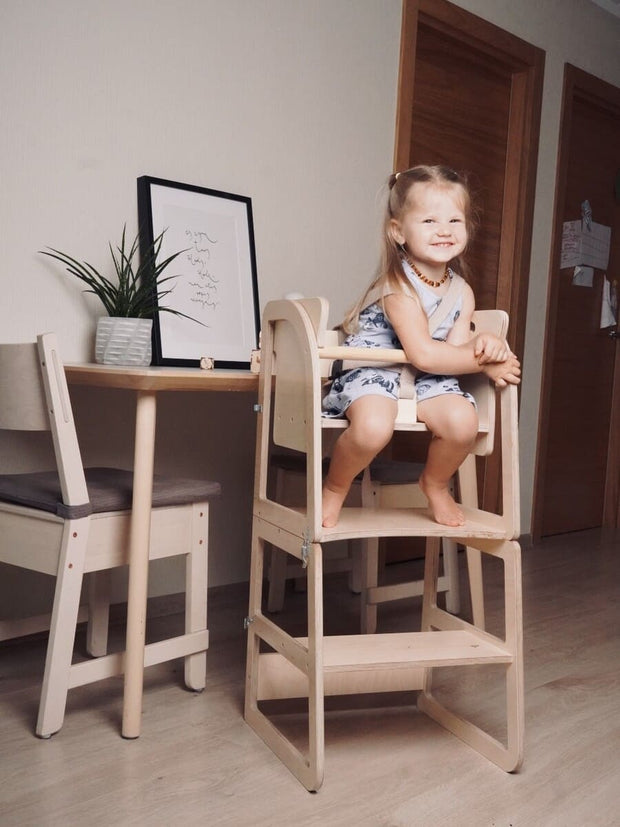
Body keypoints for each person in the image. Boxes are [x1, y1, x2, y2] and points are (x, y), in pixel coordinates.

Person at [321, 164, 521, 528]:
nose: (444, 230)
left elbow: (454, 353)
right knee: (372, 428)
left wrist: (483, 346)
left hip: (427, 377)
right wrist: (484, 363)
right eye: (429, 221)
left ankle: (435, 483)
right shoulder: (398, 287)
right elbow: (424, 352)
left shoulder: (462, 292)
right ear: (398, 231)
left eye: (454, 221)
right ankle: (335, 487)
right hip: (375, 371)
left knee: (463, 422)